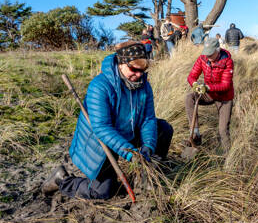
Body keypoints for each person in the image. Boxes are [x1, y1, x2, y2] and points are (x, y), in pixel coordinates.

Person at [42, 41, 173, 199]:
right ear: (121, 63)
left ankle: (148, 177)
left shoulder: (144, 85)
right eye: (134, 69)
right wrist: (131, 154)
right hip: (101, 142)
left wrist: (148, 147)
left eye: (142, 70)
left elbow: (148, 119)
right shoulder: (99, 86)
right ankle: (61, 179)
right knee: (102, 192)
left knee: (163, 129)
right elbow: (102, 128)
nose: (139, 75)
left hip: (129, 132)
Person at [186, 37, 234, 152]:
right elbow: (191, 76)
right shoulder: (202, 58)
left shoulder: (227, 61)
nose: (208, 57)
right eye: (206, 53)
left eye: (211, 54)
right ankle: (195, 133)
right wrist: (195, 84)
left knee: (223, 130)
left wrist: (207, 87)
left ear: (218, 50)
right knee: (189, 98)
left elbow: (226, 85)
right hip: (209, 94)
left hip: (224, 98)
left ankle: (228, 156)